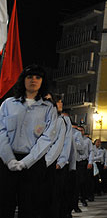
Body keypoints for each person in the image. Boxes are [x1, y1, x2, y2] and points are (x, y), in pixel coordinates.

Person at [0, 64, 58, 218]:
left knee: (30, 206)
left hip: (33, 164)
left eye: (38, 77)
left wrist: (26, 162)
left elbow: (47, 138)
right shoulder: (8, 104)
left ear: (42, 82)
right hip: (7, 162)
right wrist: (9, 159)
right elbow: (1, 132)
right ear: (23, 80)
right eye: (29, 77)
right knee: (4, 205)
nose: (33, 80)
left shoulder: (48, 108)